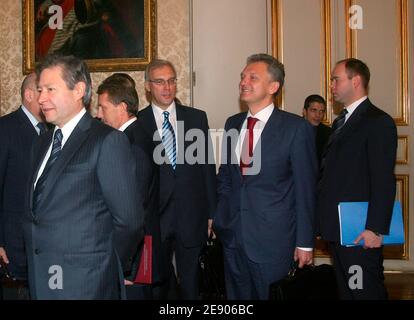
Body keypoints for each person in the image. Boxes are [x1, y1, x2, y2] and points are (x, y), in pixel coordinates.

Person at [23, 54, 144, 299]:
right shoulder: (42, 142)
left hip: (88, 283)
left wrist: (104, 265)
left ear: (79, 90)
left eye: (49, 89)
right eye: (39, 90)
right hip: (41, 278)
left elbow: (129, 221)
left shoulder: (107, 141)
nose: (41, 98)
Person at [213, 53, 317, 300]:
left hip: (274, 242)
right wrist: (219, 216)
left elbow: (306, 189)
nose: (243, 82)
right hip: (233, 238)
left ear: (273, 86)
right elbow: (227, 175)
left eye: (252, 77)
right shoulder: (233, 123)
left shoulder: (296, 128)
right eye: (242, 77)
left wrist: (305, 242)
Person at [134, 59, 217, 300]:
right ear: (148, 86)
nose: (167, 87)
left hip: (191, 215)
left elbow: (207, 167)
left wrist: (212, 212)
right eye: (160, 82)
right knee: (158, 284)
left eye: (171, 81)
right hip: (154, 219)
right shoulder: (138, 123)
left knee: (191, 283)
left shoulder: (196, 119)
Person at [317, 58, 397, 300]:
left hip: (361, 232)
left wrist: (375, 228)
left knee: (363, 291)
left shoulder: (377, 121)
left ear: (356, 80)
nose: (331, 84)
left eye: (335, 79)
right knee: (348, 292)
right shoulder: (341, 121)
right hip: (341, 229)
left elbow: (383, 179)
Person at [96, 73, 161, 299]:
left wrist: (125, 264)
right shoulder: (136, 135)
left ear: (121, 107)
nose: (98, 114)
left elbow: (135, 208)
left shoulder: (133, 144)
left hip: (134, 257)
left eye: (102, 107)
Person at [0, 73, 48, 300]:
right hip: (12, 242)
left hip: (43, 243)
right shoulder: (5, 129)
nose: (48, 97)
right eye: (43, 91)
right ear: (29, 95)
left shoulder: (50, 132)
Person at [302, 94, 332, 164]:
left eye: (321, 111)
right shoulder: (293, 129)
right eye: (313, 110)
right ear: (304, 111)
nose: (318, 115)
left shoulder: (329, 133)